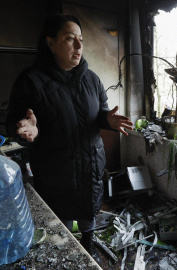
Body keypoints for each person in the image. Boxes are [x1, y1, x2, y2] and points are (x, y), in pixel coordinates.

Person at [6, 14, 133, 265]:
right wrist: (27, 129)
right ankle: (67, 253)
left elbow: (99, 114)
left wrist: (108, 120)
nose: (78, 46)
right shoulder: (31, 80)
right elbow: (15, 122)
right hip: (56, 170)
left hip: (90, 163)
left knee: (88, 212)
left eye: (81, 40)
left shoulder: (92, 79)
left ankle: (87, 245)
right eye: (69, 39)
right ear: (51, 43)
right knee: (60, 221)